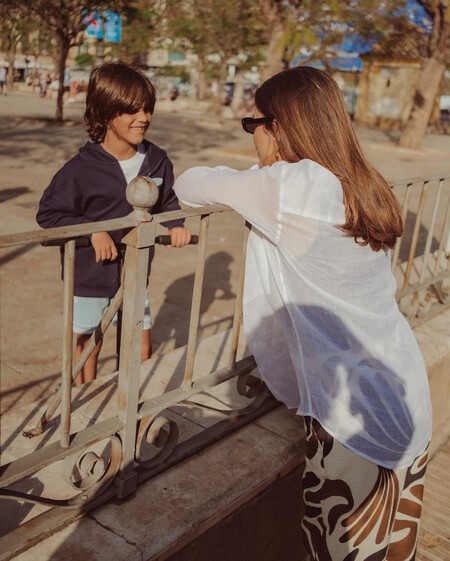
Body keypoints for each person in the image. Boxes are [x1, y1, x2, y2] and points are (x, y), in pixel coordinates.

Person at [174, 66, 432, 561]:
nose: (252, 137)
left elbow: (189, 183)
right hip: (405, 394)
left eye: (253, 125)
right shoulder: (358, 182)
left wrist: (260, 172)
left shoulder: (288, 187)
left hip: (354, 420)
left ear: (279, 128)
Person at [37, 61, 191, 386]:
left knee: (140, 341)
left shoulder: (157, 160)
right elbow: (49, 216)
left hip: (135, 273)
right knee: (89, 346)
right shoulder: (79, 169)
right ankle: (84, 402)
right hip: (90, 278)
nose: (143, 117)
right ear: (106, 114)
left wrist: (176, 223)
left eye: (147, 109)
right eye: (132, 110)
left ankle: (134, 400)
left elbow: (167, 200)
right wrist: (93, 230)